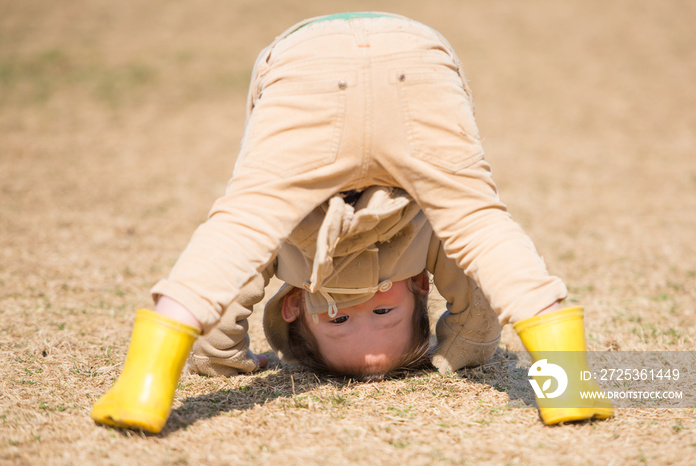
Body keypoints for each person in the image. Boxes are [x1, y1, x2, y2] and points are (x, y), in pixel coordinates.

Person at [90, 12, 613, 434]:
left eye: (339, 320)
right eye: (384, 311)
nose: (362, 311)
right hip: (403, 57)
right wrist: (460, 353)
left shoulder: (306, 250)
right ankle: (566, 381)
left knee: (243, 226)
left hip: (326, 63)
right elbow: (477, 306)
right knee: (477, 221)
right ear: (417, 286)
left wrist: (219, 360)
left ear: (293, 308)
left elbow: (229, 290)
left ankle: (145, 383)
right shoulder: (423, 243)